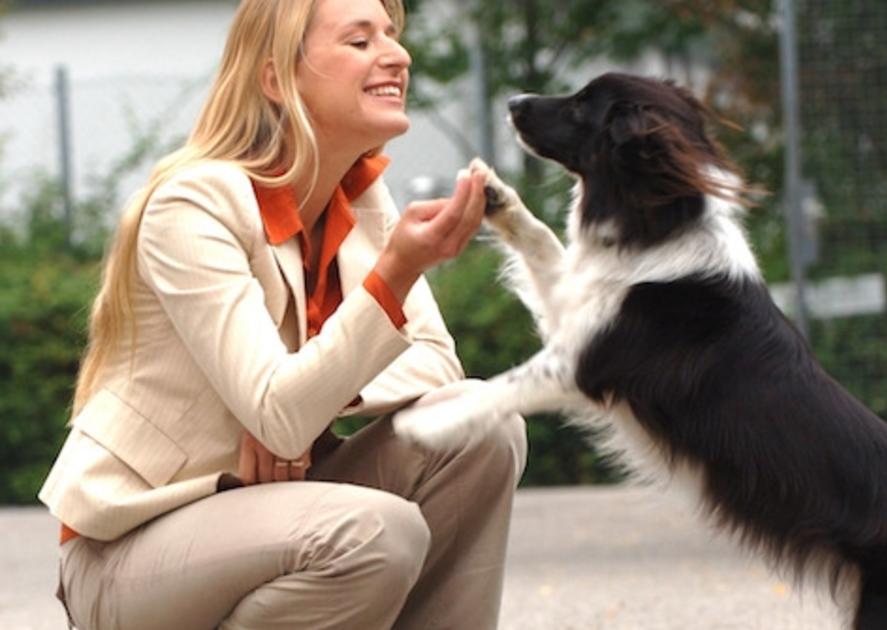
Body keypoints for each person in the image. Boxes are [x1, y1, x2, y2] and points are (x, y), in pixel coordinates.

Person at [38, 0, 527, 628]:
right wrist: (393, 277)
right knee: (375, 530)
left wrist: (298, 404)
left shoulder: (363, 198)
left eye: (391, 35)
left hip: (281, 508)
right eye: (359, 41)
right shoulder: (192, 204)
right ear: (276, 78)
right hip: (131, 550)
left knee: (479, 424)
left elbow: (437, 366)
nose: (397, 55)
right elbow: (279, 409)